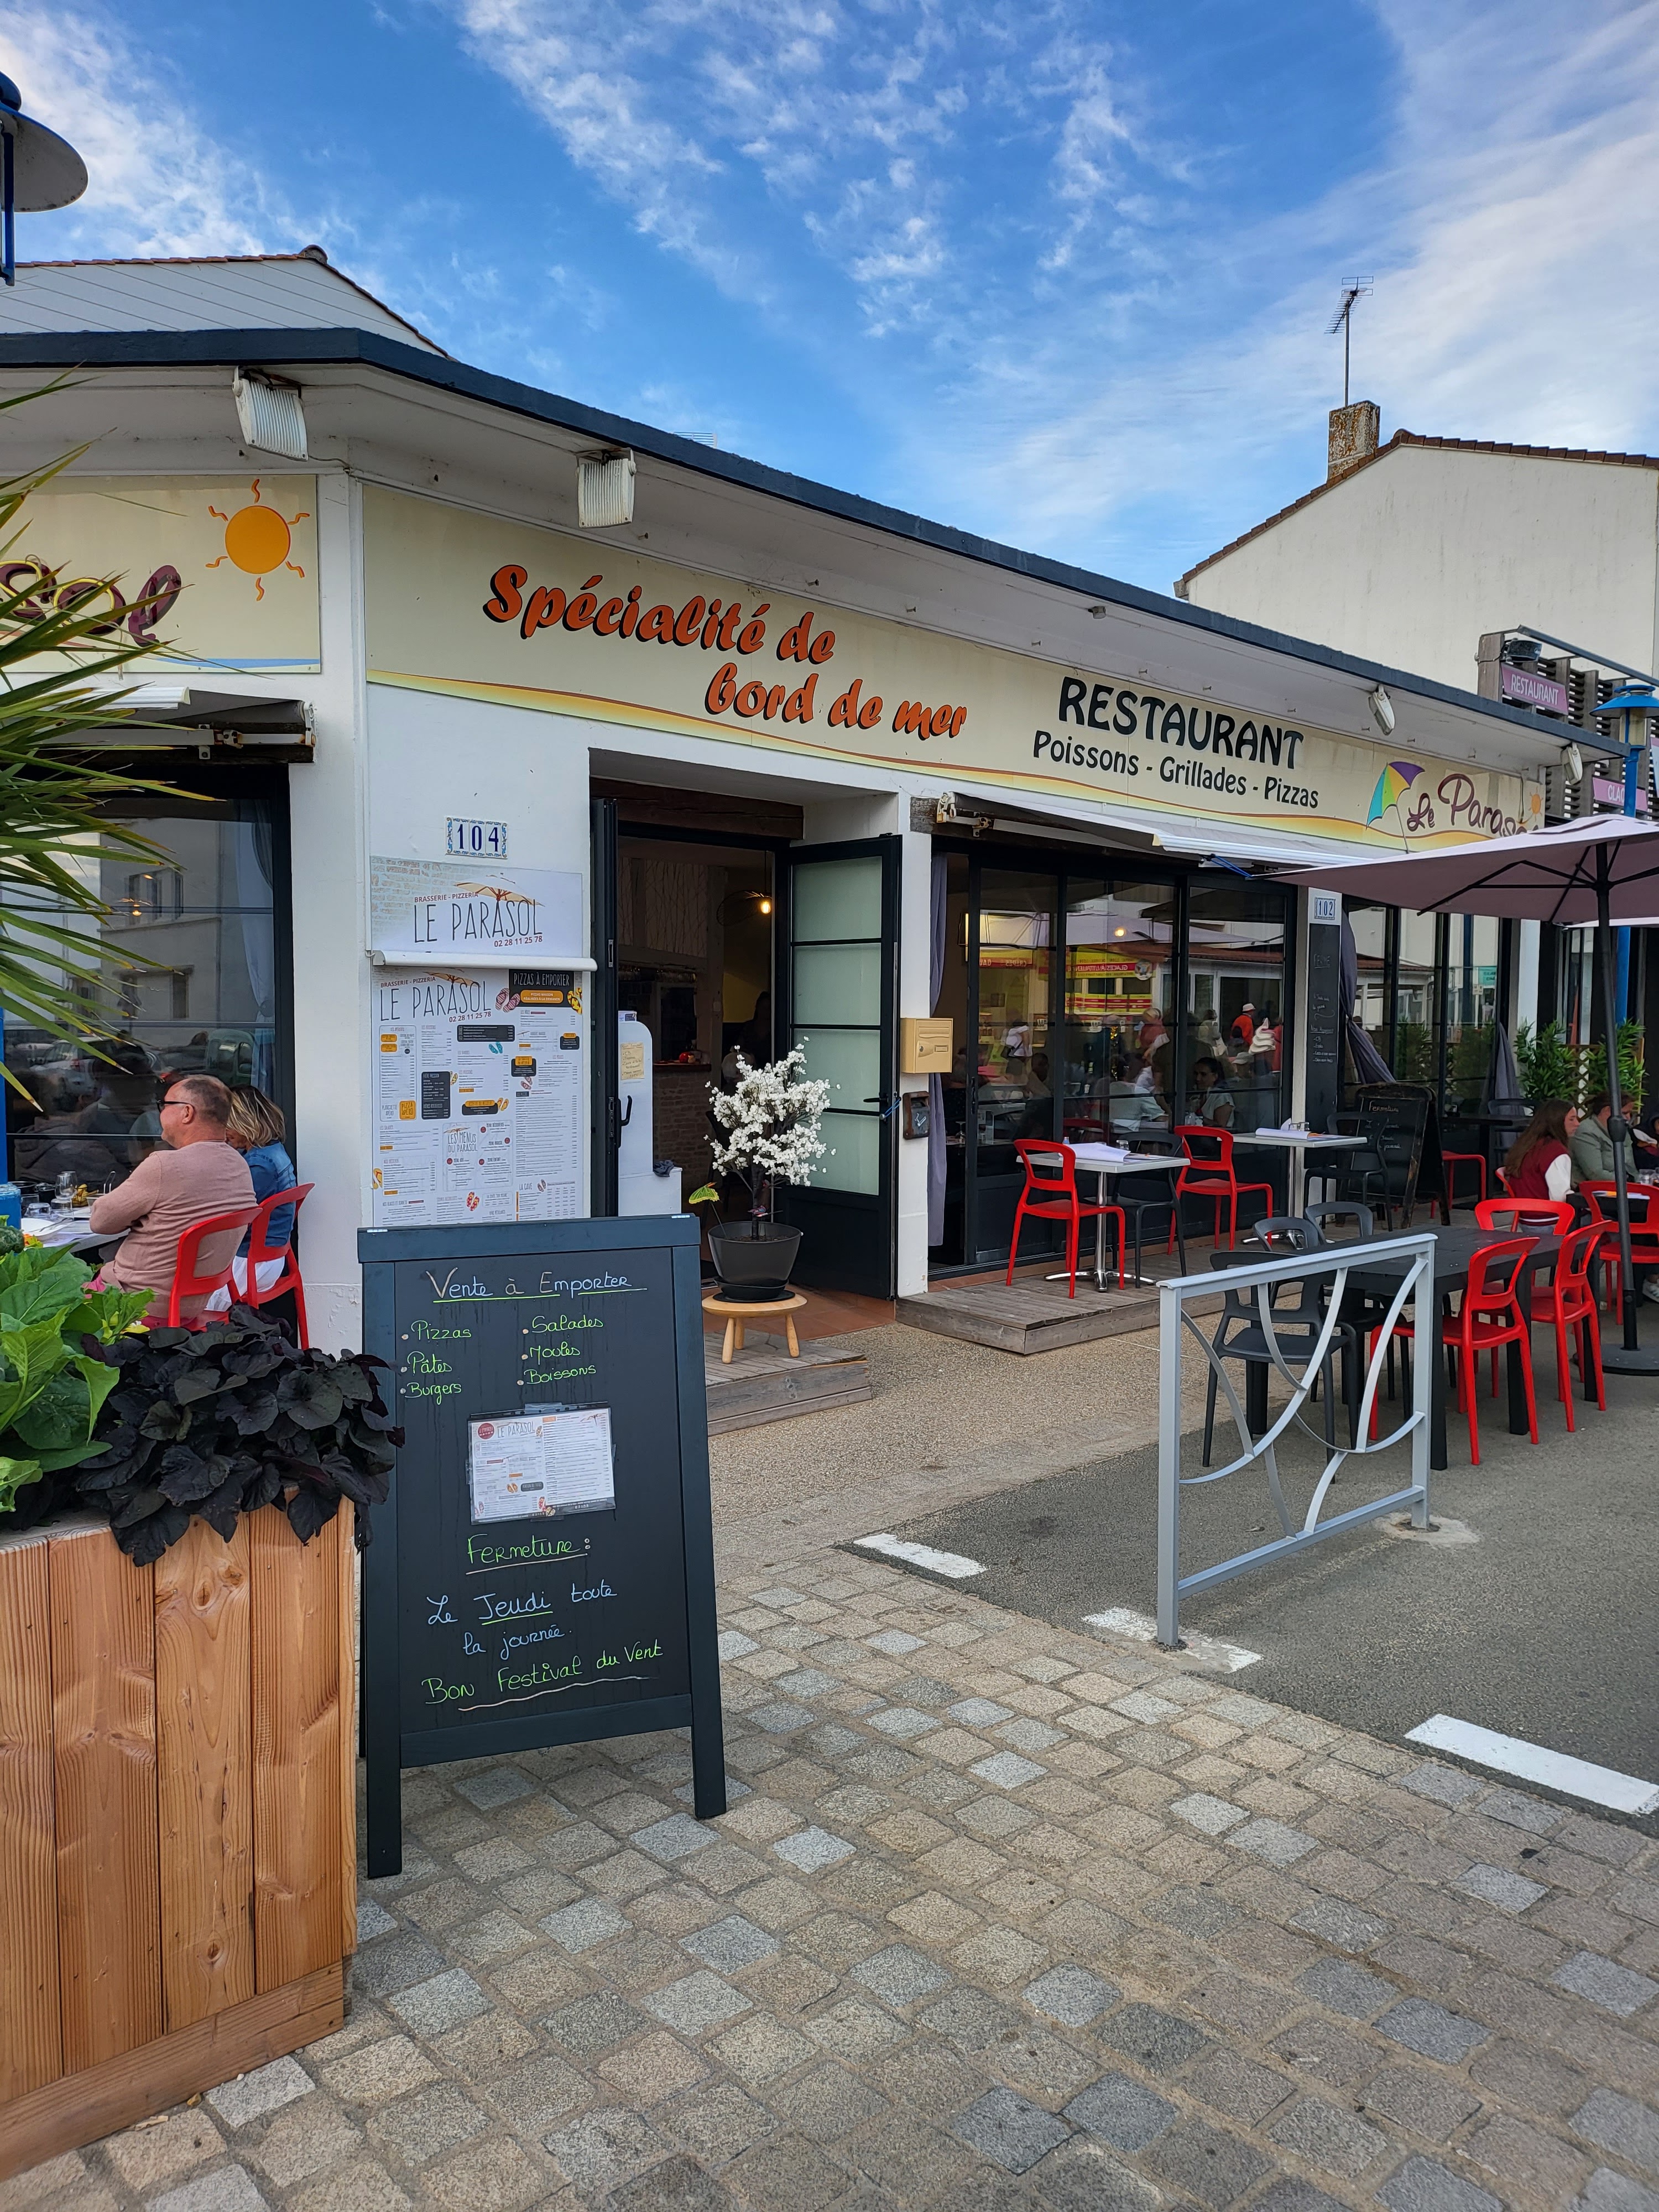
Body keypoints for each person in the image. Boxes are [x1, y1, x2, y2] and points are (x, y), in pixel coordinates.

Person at [88, 1074, 255, 1321]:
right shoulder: (239, 1164)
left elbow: (100, 1222)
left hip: (134, 1301)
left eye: (164, 1105)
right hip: (194, 1302)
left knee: (51, 1297)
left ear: (187, 1113)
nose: (160, 1114)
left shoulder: (164, 1165)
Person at [207, 1086, 298, 1308]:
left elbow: (233, 1218)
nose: (224, 1132)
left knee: (185, 1298)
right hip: (269, 1259)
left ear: (244, 1122)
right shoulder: (274, 1151)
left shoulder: (260, 1166)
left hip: (250, 1265)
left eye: (227, 1124)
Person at [1570, 1093, 1659, 1187]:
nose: (1629, 1118)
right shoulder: (1586, 1131)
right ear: (1607, 1110)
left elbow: (1631, 1168)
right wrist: (1629, 1182)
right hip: (1593, 1190)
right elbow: (1595, 1173)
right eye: (1625, 1113)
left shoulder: (1622, 1129)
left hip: (1623, 1186)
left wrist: (1640, 1182)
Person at [1503, 1098, 1579, 1205]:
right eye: (1572, 1119)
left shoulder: (1527, 1144)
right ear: (1557, 1121)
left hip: (1524, 1212)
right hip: (1548, 1214)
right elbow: (1560, 1198)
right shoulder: (1555, 1151)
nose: (1577, 1124)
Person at [1188, 1056, 1234, 1128]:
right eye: (1196, 1074)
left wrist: (1198, 1118)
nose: (1198, 1079)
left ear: (1215, 1077)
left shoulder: (1222, 1096)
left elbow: (1220, 1126)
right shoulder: (1195, 1095)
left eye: (1203, 1074)